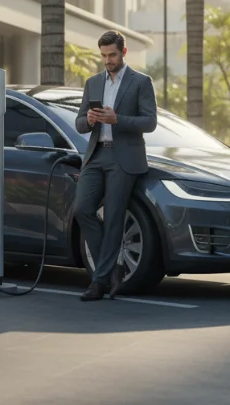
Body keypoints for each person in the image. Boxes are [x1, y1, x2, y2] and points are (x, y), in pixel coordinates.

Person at [73, 31, 157, 302]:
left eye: (112, 55)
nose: (107, 60)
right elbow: (79, 124)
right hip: (96, 155)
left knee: (114, 219)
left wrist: (116, 119)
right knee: (83, 209)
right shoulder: (93, 82)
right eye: (104, 56)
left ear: (124, 52)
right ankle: (114, 269)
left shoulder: (141, 82)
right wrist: (89, 119)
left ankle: (98, 283)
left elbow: (149, 122)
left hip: (125, 158)